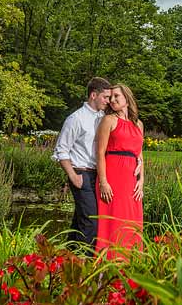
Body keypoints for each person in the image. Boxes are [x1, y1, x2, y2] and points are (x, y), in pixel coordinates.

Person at [52, 77, 112, 251]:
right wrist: (73, 176)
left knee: (80, 220)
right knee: (91, 221)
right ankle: (84, 263)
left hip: (97, 174)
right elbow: (61, 150)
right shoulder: (76, 119)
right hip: (81, 173)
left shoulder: (103, 117)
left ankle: (66, 260)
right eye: (105, 97)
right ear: (93, 95)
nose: (108, 101)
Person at [95, 82, 144, 255]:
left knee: (132, 221)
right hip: (112, 177)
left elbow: (140, 155)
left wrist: (141, 182)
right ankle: (108, 262)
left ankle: (132, 261)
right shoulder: (108, 120)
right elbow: (100, 153)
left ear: (127, 100)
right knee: (113, 221)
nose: (112, 100)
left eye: (117, 96)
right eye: (111, 97)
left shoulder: (138, 124)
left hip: (131, 181)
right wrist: (103, 182)